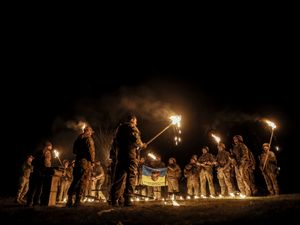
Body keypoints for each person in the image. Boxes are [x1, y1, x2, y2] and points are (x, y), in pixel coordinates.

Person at [110, 114, 147, 207]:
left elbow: (115, 143)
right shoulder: (132, 128)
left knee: (118, 178)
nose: (136, 122)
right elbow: (136, 141)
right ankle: (128, 199)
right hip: (130, 156)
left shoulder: (118, 129)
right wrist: (142, 145)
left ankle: (114, 199)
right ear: (132, 120)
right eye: (135, 120)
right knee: (131, 177)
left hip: (120, 156)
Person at [66, 125, 95, 207]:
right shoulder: (89, 139)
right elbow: (91, 151)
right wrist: (92, 161)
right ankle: (77, 201)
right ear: (88, 131)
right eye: (91, 132)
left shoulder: (77, 140)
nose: (91, 134)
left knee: (75, 180)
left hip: (77, 162)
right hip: (85, 163)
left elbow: (74, 151)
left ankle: (69, 200)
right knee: (83, 181)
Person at [26, 141, 53, 207]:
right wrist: (48, 169)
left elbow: (33, 162)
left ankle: (29, 202)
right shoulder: (47, 152)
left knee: (32, 189)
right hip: (41, 173)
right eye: (51, 146)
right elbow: (47, 163)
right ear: (48, 146)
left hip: (34, 172)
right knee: (39, 189)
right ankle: (36, 202)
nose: (52, 147)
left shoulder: (38, 152)